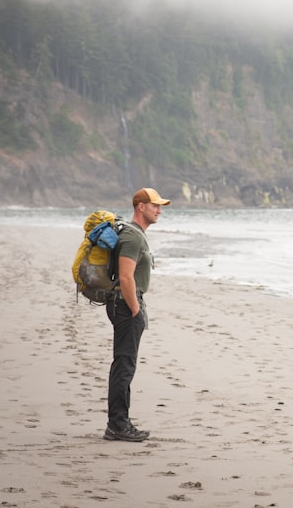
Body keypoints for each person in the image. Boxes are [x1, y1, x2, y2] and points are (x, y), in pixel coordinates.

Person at [103, 187, 171, 442]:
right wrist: (134, 308)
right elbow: (125, 276)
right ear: (140, 207)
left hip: (123, 303)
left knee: (123, 364)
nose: (159, 210)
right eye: (155, 205)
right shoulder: (133, 237)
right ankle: (117, 425)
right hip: (125, 304)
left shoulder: (135, 235)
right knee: (124, 365)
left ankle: (120, 422)